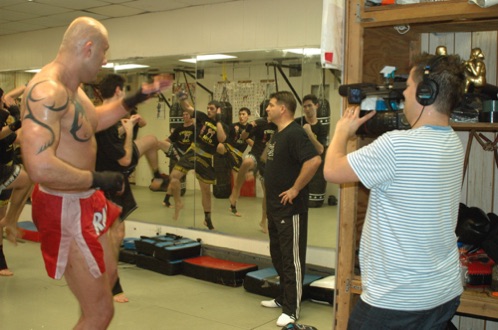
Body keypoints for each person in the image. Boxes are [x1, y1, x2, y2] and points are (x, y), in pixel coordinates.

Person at [20, 17, 172, 329]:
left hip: (84, 199)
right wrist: (98, 179)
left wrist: (139, 96)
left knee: (111, 275)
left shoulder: (74, 89)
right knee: (100, 312)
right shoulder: (46, 92)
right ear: (87, 48)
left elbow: (93, 121)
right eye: (103, 52)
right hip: (64, 206)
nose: (106, 60)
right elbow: (39, 166)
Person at [324, 53, 466, 329]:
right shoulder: (453, 143)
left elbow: (331, 170)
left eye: (409, 88)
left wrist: (342, 132)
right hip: (442, 294)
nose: (404, 96)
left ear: (426, 93)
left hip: (396, 301)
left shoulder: (396, 145)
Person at [95, 73, 171, 303]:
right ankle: (113, 284)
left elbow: (110, 136)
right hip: (111, 176)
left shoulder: (105, 114)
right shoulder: (104, 118)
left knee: (150, 140)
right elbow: (125, 159)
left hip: (112, 174)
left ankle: (159, 174)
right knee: (114, 234)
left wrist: (130, 124)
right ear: (118, 91)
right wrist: (128, 133)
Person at [260, 91, 321, 327]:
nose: (267, 108)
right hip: (276, 208)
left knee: (291, 258)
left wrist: (295, 188)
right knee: (277, 254)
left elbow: (314, 160)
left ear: (283, 109)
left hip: (290, 209)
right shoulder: (278, 133)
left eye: (271, 105)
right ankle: (282, 297)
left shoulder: (295, 132)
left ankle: (292, 309)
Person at [166, 92, 227, 229]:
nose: (209, 110)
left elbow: (222, 139)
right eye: (208, 108)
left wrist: (218, 121)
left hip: (206, 157)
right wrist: (182, 98)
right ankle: (178, 202)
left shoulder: (223, 126)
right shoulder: (202, 117)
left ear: (218, 110)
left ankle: (207, 218)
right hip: (194, 151)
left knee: (205, 191)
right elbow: (187, 107)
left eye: (212, 108)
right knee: (174, 176)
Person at [0, 89, 32, 276]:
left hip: (6, 171)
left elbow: (18, 138)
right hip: (3, 172)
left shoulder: (5, 115)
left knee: (2, 216)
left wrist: (28, 87)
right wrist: (17, 119)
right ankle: (11, 221)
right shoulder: (4, 116)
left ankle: (1, 259)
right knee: (26, 179)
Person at [228, 115, 276, 232]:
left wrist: (253, 172)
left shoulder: (278, 126)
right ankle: (236, 191)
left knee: (267, 193)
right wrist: (249, 127)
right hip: (255, 153)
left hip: (269, 159)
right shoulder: (260, 123)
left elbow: (267, 152)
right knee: (246, 162)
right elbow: (243, 136)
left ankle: (263, 220)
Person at [217, 107, 251, 216]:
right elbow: (224, 138)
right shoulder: (233, 126)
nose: (241, 116)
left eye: (243, 114)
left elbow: (253, 144)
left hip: (238, 155)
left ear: (248, 116)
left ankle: (233, 207)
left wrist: (244, 134)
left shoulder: (251, 129)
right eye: (240, 114)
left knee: (237, 184)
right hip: (229, 149)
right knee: (219, 146)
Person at [162, 110, 195, 207]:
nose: (184, 116)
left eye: (187, 114)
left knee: (175, 177)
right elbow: (169, 139)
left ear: (191, 116)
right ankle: (166, 199)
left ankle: (167, 200)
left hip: (189, 156)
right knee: (174, 177)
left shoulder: (194, 128)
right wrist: (163, 145)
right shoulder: (179, 128)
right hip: (178, 154)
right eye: (183, 114)